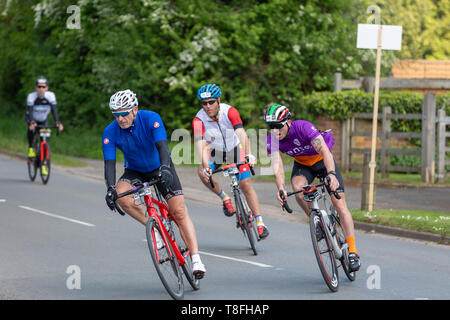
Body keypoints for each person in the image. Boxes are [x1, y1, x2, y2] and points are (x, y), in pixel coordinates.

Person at [102, 89, 206, 279]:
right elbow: (109, 162)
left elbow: (162, 147)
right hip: (135, 171)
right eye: (116, 114)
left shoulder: (151, 118)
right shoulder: (110, 131)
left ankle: (196, 259)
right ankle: (155, 228)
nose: (121, 118)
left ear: (135, 109)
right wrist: (109, 189)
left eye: (124, 113)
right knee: (121, 196)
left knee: (179, 212)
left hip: (160, 165)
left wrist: (165, 168)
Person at [264, 104, 360, 271]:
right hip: (303, 165)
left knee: (339, 204)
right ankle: (317, 221)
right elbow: (277, 165)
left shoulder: (303, 127)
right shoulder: (271, 140)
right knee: (298, 190)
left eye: (278, 126)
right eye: (270, 127)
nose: (274, 131)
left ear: (288, 122)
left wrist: (331, 174)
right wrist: (281, 188)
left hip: (323, 161)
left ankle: (352, 251)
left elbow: (325, 152)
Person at [193, 84, 269, 239]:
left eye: (211, 102)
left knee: (245, 185)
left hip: (235, 149)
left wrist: (248, 154)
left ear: (218, 100)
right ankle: (225, 198)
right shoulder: (198, 119)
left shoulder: (230, 112)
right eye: (204, 103)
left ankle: (260, 223)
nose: (208, 106)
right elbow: (200, 144)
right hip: (216, 152)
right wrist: (207, 166)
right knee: (201, 171)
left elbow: (241, 133)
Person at [26, 77, 64, 174]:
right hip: (32, 118)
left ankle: (44, 164)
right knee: (31, 129)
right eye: (39, 86)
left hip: (43, 120)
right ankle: (31, 148)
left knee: (45, 139)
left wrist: (57, 122)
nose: (41, 89)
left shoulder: (51, 96)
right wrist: (31, 122)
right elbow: (30, 111)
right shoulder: (31, 96)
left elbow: (54, 110)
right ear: (36, 87)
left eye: (43, 87)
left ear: (47, 87)